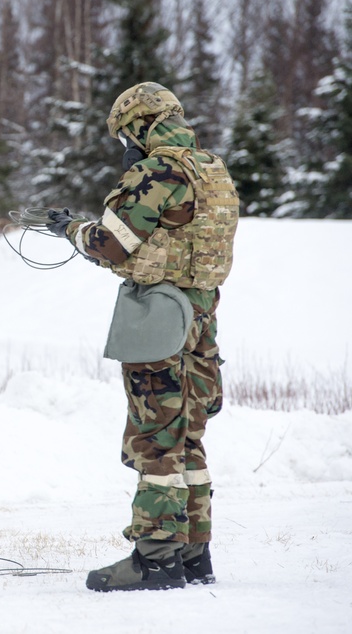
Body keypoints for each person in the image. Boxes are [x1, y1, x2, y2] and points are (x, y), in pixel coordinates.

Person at [45, 82, 239, 592]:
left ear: (140, 126)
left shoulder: (158, 170)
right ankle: (194, 554)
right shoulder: (211, 168)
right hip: (201, 314)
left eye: (124, 136)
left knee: (155, 437)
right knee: (188, 436)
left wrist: (71, 229)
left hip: (160, 313)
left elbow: (111, 243)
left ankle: (154, 559)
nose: (125, 146)